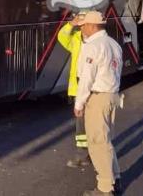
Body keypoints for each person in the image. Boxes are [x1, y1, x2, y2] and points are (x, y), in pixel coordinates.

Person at [74, 10, 123, 196]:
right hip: (112, 95)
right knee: (106, 141)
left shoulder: (93, 46)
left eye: (83, 25)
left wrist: (79, 104)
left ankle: (104, 188)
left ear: (92, 25)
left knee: (97, 143)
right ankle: (115, 178)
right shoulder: (113, 44)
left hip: (98, 97)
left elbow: (87, 78)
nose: (82, 29)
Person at [57, 12, 89, 168]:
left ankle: (86, 155)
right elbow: (61, 36)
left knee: (87, 125)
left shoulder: (96, 41)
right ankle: (84, 153)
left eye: (83, 22)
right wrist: (71, 24)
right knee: (82, 124)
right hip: (78, 88)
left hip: (91, 88)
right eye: (80, 22)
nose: (81, 25)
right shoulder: (76, 38)